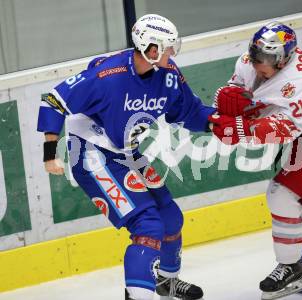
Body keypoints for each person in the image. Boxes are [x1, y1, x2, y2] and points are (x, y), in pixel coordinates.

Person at [37, 14, 215, 300]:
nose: (173, 53)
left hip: (126, 152)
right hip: (91, 154)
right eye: (168, 48)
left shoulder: (168, 75)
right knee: (148, 227)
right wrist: (49, 154)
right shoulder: (107, 76)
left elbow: (189, 111)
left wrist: (217, 122)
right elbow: (54, 101)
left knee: (170, 218)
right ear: (151, 49)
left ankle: (166, 283)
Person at [209, 21, 302, 299]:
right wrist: (224, 105)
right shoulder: (248, 63)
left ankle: (290, 266)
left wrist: (244, 130)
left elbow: (290, 126)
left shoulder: (299, 77)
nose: (259, 62)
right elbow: (238, 93)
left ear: (284, 58)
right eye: (256, 53)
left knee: (282, 195)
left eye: (268, 58)